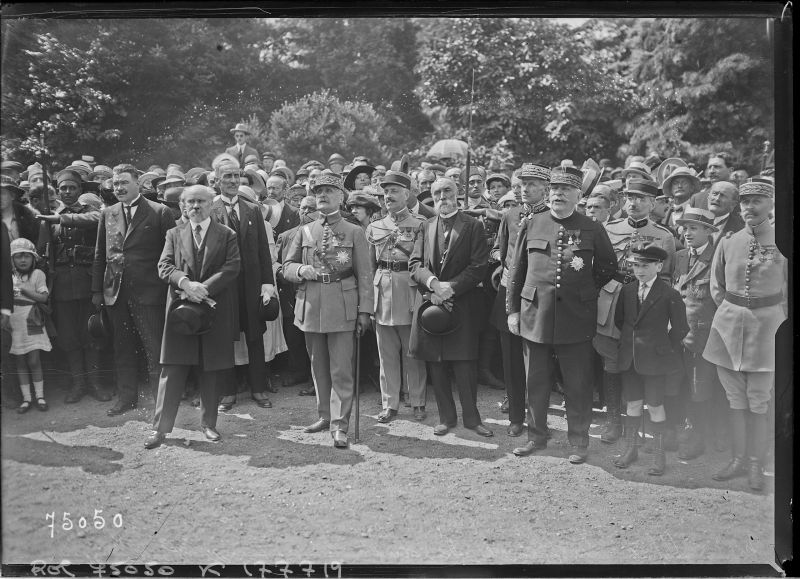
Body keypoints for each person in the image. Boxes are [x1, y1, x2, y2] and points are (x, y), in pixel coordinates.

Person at [506, 165, 616, 463]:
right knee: (536, 381)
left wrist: (584, 291)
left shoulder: (591, 227)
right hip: (535, 315)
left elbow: (608, 267)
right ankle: (535, 437)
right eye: (554, 190)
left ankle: (579, 441)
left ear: (578, 196)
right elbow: (517, 271)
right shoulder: (532, 223)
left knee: (577, 383)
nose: (558, 195)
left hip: (576, 317)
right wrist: (513, 310)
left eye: (565, 190)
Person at [704, 178, 787, 491]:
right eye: (745, 202)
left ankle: (756, 463)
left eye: (757, 201)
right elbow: (716, 287)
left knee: (759, 400)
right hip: (728, 327)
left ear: (771, 204)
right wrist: (735, 312)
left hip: (767, 330)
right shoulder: (728, 240)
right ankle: (738, 459)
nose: (750, 208)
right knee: (734, 398)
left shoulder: (782, 239)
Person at [144, 185, 241, 449]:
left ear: (211, 205)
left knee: (210, 368)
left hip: (212, 307)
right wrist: (186, 284)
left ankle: (208, 424)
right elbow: (164, 266)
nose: (195, 207)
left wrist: (204, 288)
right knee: (173, 368)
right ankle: (160, 429)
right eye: (190, 202)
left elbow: (232, 267)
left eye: (201, 201)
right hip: (180, 309)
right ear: (183, 207)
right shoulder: (173, 234)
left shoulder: (226, 234)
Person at [282, 171, 373, 448]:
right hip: (310, 306)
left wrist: (364, 312)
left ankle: (340, 424)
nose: (322, 195)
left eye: (328, 191)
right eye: (318, 190)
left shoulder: (354, 231)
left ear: (340, 197)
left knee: (341, 370)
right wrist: (301, 269)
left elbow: (365, 276)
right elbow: (286, 267)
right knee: (317, 366)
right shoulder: (305, 230)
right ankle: (324, 415)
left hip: (342, 307)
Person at [408, 177, 493, 438]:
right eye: (437, 192)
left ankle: (472, 418)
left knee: (465, 364)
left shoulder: (473, 225)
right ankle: (446, 418)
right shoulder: (426, 226)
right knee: (437, 363)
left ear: (458, 194)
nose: (442, 196)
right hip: (432, 305)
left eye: (447, 191)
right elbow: (415, 265)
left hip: (462, 304)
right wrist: (433, 284)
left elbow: (479, 267)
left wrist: (450, 288)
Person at [92, 164, 176, 416]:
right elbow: (100, 255)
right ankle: (126, 398)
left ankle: (161, 402)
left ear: (137, 183)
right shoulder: (108, 213)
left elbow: (171, 255)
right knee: (122, 348)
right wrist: (97, 291)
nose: (118, 188)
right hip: (116, 293)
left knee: (154, 349)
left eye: (124, 183)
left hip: (150, 293)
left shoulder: (159, 212)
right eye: (115, 184)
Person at [599, 178, 678, 444]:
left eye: (641, 198)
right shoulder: (609, 229)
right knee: (612, 361)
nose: (634, 203)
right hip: (612, 301)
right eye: (630, 197)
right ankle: (613, 421)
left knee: (642, 361)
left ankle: (645, 424)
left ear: (652, 203)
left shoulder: (664, 236)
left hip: (645, 307)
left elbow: (666, 279)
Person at [612, 244, 689, 475]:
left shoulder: (669, 294)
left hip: (655, 362)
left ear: (659, 265)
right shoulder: (627, 291)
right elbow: (620, 321)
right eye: (636, 265)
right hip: (630, 359)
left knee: (656, 405)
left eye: (645, 266)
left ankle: (658, 454)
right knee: (633, 404)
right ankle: (631, 448)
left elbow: (680, 329)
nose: (640, 270)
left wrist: (662, 348)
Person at [36, 169, 110, 403]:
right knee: (69, 338)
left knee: (91, 334)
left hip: (88, 282)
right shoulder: (49, 217)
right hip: (61, 287)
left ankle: (95, 383)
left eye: (72, 188)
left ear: (80, 190)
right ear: (58, 191)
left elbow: (98, 223)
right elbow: (41, 252)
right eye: (63, 188)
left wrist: (58, 219)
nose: (67, 192)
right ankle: (78, 384)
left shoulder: (91, 212)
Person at [490, 163, 550, 435]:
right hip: (510, 295)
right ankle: (516, 416)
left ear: (545, 188)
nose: (525, 189)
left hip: (537, 297)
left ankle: (538, 420)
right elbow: (503, 255)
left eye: (532, 184)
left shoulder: (552, 217)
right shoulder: (510, 215)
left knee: (538, 361)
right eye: (522, 184)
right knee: (511, 360)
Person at [211, 159, 276, 411]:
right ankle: (227, 393)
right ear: (217, 180)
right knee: (224, 337)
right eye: (227, 176)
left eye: (236, 175)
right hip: (223, 286)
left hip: (250, 285)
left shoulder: (252, 210)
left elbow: (262, 251)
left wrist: (267, 284)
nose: (232, 180)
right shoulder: (210, 209)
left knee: (255, 334)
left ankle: (258, 389)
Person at [366, 170, 428, 423]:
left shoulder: (421, 224)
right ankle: (390, 403)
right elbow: (369, 267)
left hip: (409, 292)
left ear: (407, 194)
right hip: (382, 293)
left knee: (412, 352)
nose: (388, 196)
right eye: (386, 191)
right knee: (386, 354)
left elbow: (424, 263)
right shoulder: (375, 227)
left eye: (394, 191)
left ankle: (417, 401)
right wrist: (368, 301)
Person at [671, 208, 724, 460]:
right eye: (685, 227)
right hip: (677, 334)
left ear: (709, 231)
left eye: (694, 228)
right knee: (678, 386)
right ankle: (682, 430)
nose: (687, 232)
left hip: (703, 336)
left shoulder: (716, 259)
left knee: (699, 388)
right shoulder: (680, 256)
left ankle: (699, 436)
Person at [274, 195, 317, 393]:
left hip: (316, 296)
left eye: (311, 208)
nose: (305, 212)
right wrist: (284, 273)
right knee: (293, 337)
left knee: (314, 340)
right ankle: (299, 371)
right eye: (302, 208)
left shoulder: (325, 235)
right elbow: (275, 261)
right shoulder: (285, 236)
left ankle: (314, 378)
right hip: (290, 294)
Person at [8, 238, 52, 413]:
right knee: (20, 360)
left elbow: (43, 298)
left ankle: (40, 396)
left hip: (32, 320)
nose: (23, 260)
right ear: (12, 259)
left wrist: (24, 290)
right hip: (14, 321)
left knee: (34, 360)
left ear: (33, 258)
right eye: (18, 256)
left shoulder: (37, 275)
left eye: (27, 256)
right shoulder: (8, 277)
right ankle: (26, 398)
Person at [706, 181, 745, 247]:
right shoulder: (693, 221)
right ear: (708, 197)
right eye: (715, 194)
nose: (717, 198)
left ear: (733, 204)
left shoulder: (741, 230)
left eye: (723, 196)